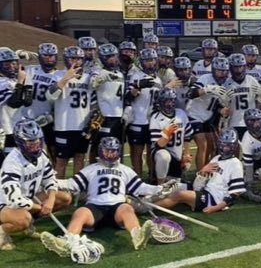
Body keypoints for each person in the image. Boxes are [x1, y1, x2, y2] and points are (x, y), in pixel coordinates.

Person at [40, 137, 178, 255]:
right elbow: (72, 184)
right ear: (101, 151)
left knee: (127, 208)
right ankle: (67, 241)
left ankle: (137, 235)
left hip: (117, 207)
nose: (111, 154)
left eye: (114, 151)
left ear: (118, 152)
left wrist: (159, 189)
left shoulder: (125, 170)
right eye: (107, 151)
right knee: (80, 212)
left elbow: (140, 187)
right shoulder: (91, 169)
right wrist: (51, 181)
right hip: (94, 207)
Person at [0, 119, 71, 250]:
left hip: (27, 199)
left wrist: (50, 201)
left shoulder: (42, 155)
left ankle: (27, 222)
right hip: (6, 203)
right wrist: (41, 207)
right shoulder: (12, 163)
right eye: (30, 142)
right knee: (24, 219)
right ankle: (2, 231)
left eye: (38, 141)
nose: (36, 145)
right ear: (20, 142)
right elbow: (15, 200)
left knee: (64, 198)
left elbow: (50, 179)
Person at [154, 128, 246, 214]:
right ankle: (146, 200)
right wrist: (203, 171)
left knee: (179, 194)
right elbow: (197, 186)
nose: (226, 148)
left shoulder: (235, 164)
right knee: (173, 185)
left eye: (229, 146)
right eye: (223, 145)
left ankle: (149, 208)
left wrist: (215, 208)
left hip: (214, 199)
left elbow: (235, 194)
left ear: (234, 146)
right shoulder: (216, 158)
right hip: (204, 191)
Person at [46, 46, 92, 178]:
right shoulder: (58, 75)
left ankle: (76, 193)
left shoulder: (89, 77)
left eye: (79, 59)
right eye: (72, 58)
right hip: (64, 125)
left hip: (82, 125)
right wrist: (65, 78)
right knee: (61, 161)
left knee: (80, 159)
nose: (76, 61)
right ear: (66, 59)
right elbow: (50, 97)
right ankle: (58, 193)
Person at [186, 57, 230, 170]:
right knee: (203, 144)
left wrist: (222, 110)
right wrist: (207, 89)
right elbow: (190, 93)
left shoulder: (227, 83)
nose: (222, 73)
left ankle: (208, 170)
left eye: (224, 71)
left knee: (212, 146)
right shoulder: (205, 78)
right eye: (219, 70)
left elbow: (216, 105)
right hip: (194, 114)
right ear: (213, 70)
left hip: (208, 117)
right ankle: (201, 175)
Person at [125, 48, 162, 178]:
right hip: (138, 120)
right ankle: (137, 180)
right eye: (147, 60)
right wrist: (138, 86)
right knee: (137, 154)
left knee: (152, 153)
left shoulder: (158, 79)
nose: (150, 63)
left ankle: (152, 178)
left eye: (152, 60)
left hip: (152, 122)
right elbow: (129, 97)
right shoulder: (136, 76)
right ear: (141, 62)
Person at [24, 43, 59, 166]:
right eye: (45, 56)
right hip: (26, 117)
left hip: (47, 118)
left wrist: (51, 116)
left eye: (52, 56)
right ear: (39, 56)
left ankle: (52, 176)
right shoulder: (30, 69)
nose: (49, 59)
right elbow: (11, 70)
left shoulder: (59, 76)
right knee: (26, 151)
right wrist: (18, 57)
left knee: (52, 149)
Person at [88, 44, 125, 162]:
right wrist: (100, 77)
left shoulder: (120, 73)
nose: (113, 59)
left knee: (117, 148)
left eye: (114, 56)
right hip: (105, 116)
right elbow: (92, 84)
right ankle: (94, 171)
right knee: (99, 148)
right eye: (109, 56)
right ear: (103, 58)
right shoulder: (99, 71)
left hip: (119, 116)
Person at [149, 88, 193, 184]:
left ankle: (176, 177)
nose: (170, 104)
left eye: (172, 100)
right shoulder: (156, 117)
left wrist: (186, 154)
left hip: (177, 155)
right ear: (161, 102)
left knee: (178, 187)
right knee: (163, 156)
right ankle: (160, 185)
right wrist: (167, 133)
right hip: (161, 152)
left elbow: (187, 136)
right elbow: (158, 145)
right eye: (167, 101)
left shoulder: (181, 113)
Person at [0, 47, 33, 165]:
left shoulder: (14, 80)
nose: (12, 67)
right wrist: (20, 82)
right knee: (6, 167)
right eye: (7, 64)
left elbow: (28, 101)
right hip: (5, 131)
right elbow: (13, 103)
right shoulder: (2, 82)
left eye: (14, 63)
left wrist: (24, 82)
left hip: (18, 130)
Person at [224, 53, 261, 140]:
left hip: (251, 120)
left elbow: (259, 100)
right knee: (235, 149)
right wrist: (225, 101)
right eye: (236, 67)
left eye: (241, 66)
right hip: (234, 121)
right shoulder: (226, 83)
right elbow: (224, 106)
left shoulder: (251, 80)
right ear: (231, 68)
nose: (239, 70)